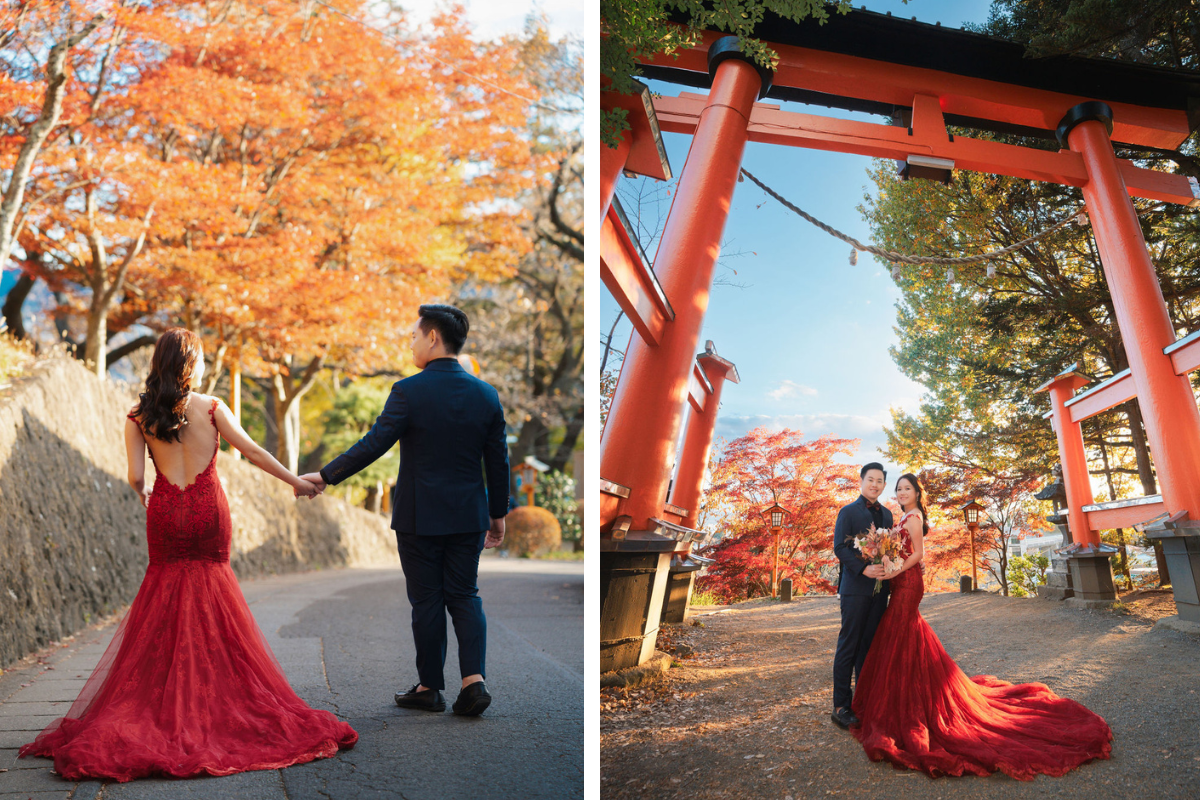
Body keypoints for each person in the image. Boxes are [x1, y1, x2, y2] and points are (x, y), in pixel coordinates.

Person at [19, 328, 356, 782]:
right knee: (214, 592)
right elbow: (252, 452)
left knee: (163, 595)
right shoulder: (212, 408)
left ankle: (160, 699)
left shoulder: (138, 416)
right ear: (191, 363)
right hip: (206, 512)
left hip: (165, 512)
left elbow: (136, 477)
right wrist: (296, 481)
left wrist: (145, 495)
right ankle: (216, 696)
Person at [300, 303, 510, 717]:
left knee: (427, 600)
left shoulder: (408, 391)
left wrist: (326, 476)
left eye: (414, 336)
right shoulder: (486, 395)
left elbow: (374, 443)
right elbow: (498, 460)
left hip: (420, 515)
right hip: (469, 514)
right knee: (465, 595)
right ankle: (474, 683)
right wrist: (497, 513)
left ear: (433, 337)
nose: (411, 343)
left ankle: (429, 688)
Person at [850, 473, 1112, 779]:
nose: (901, 492)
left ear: (917, 493)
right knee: (905, 635)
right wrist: (889, 562)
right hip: (902, 581)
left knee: (901, 631)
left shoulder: (914, 518)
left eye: (907, 488)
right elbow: (908, 553)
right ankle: (908, 696)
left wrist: (891, 570)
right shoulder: (904, 516)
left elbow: (918, 554)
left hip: (908, 585)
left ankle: (911, 703)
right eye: (899, 489)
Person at [830, 462, 894, 729]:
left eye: (880, 481)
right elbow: (839, 548)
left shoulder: (889, 515)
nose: (875, 485)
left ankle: (864, 701)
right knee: (849, 645)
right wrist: (864, 568)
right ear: (861, 481)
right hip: (855, 588)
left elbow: (891, 548)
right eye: (871, 480)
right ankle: (840, 706)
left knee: (868, 647)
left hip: (880, 591)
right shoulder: (848, 512)